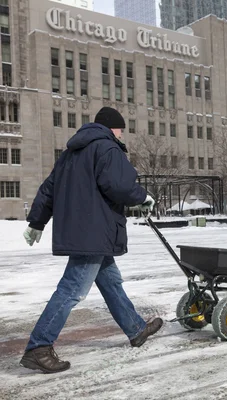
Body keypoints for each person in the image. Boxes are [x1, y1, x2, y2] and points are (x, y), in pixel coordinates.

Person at [19, 107, 162, 374]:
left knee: (111, 282)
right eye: (121, 129)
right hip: (95, 232)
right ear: (112, 128)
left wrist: (37, 222)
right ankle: (39, 347)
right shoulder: (107, 149)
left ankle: (136, 328)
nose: (121, 134)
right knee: (73, 289)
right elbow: (119, 185)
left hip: (86, 231)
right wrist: (142, 197)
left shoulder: (70, 154)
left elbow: (49, 189)